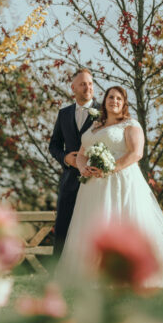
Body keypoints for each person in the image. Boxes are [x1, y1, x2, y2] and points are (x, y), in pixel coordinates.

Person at [56, 86, 163, 287]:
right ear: (104, 101)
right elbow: (81, 154)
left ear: (124, 103)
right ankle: (90, 273)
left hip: (120, 182)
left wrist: (109, 169)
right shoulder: (95, 126)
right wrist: (82, 167)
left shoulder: (130, 125)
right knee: (93, 224)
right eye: (111, 97)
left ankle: (129, 270)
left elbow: (135, 154)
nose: (114, 101)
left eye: (119, 99)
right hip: (92, 186)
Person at [49, 69, 101, 259]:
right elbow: (53, 145)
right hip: (70, 180)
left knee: (93, 228)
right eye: (83, 84)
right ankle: (57, 272)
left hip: (96, 181)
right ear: (73, 88)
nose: (88, 87)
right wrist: (66, 158)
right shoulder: (63, 114)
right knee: (63, 227)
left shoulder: (104, 112)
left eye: (90, 83)